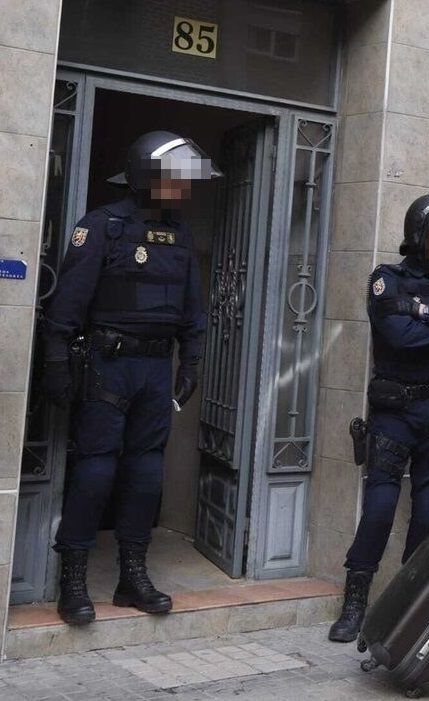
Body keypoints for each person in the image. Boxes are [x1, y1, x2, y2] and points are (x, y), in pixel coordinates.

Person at [41, 131, 219, 625]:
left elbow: (192, 310)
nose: (184, 191)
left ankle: (132, 577)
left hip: (155, 370)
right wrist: (56, 364)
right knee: (96, 471)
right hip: (107, 366)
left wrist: (193, 362)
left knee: (145, 475)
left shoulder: (179, 235)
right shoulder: (102, 227)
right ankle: (72, 580)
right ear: (147, 178)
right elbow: (67, 306)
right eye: (176, 181)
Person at [329, 194, 429, 643]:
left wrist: (423, 310)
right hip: (394, 412)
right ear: (420, 237)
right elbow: (398, 337)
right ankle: (355, 603)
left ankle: (406, 603)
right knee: (380, 508)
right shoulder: (387, 278)